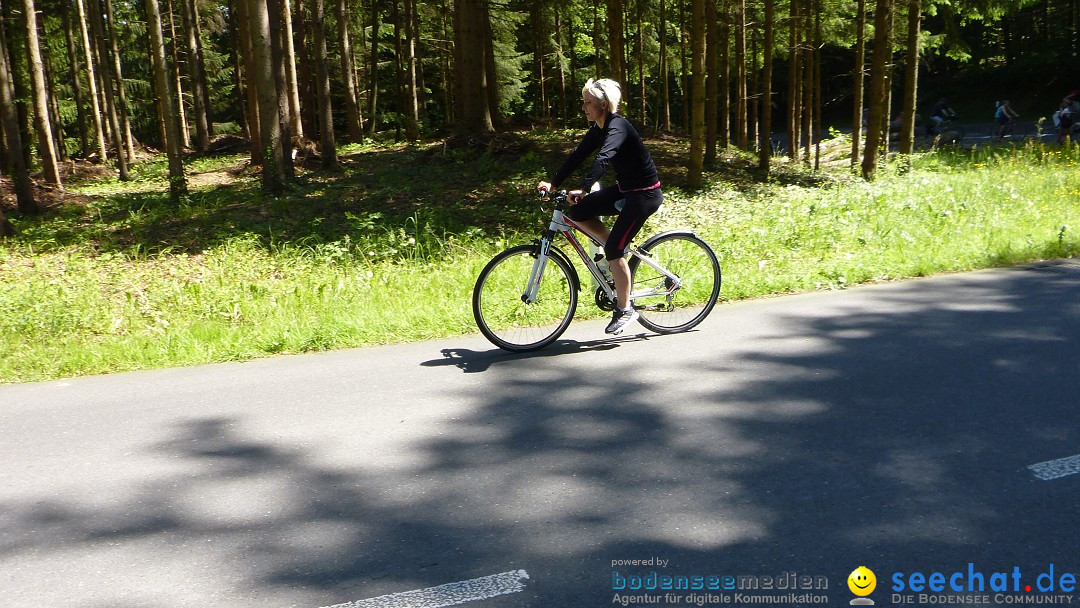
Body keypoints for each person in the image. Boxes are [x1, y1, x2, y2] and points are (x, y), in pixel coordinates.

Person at [537, 78, 663, 336]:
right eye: (583, 102)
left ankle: (625, 308)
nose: (584, 107)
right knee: (579, 212)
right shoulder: (598, 128)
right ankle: (615, 252)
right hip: (626, 190)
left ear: (603, 104)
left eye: (588, 102)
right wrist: (553, 182)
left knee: (615, 251)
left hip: (644, 195)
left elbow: (604, 158)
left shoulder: (618, 127)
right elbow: (578, 156)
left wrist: (583, 188)